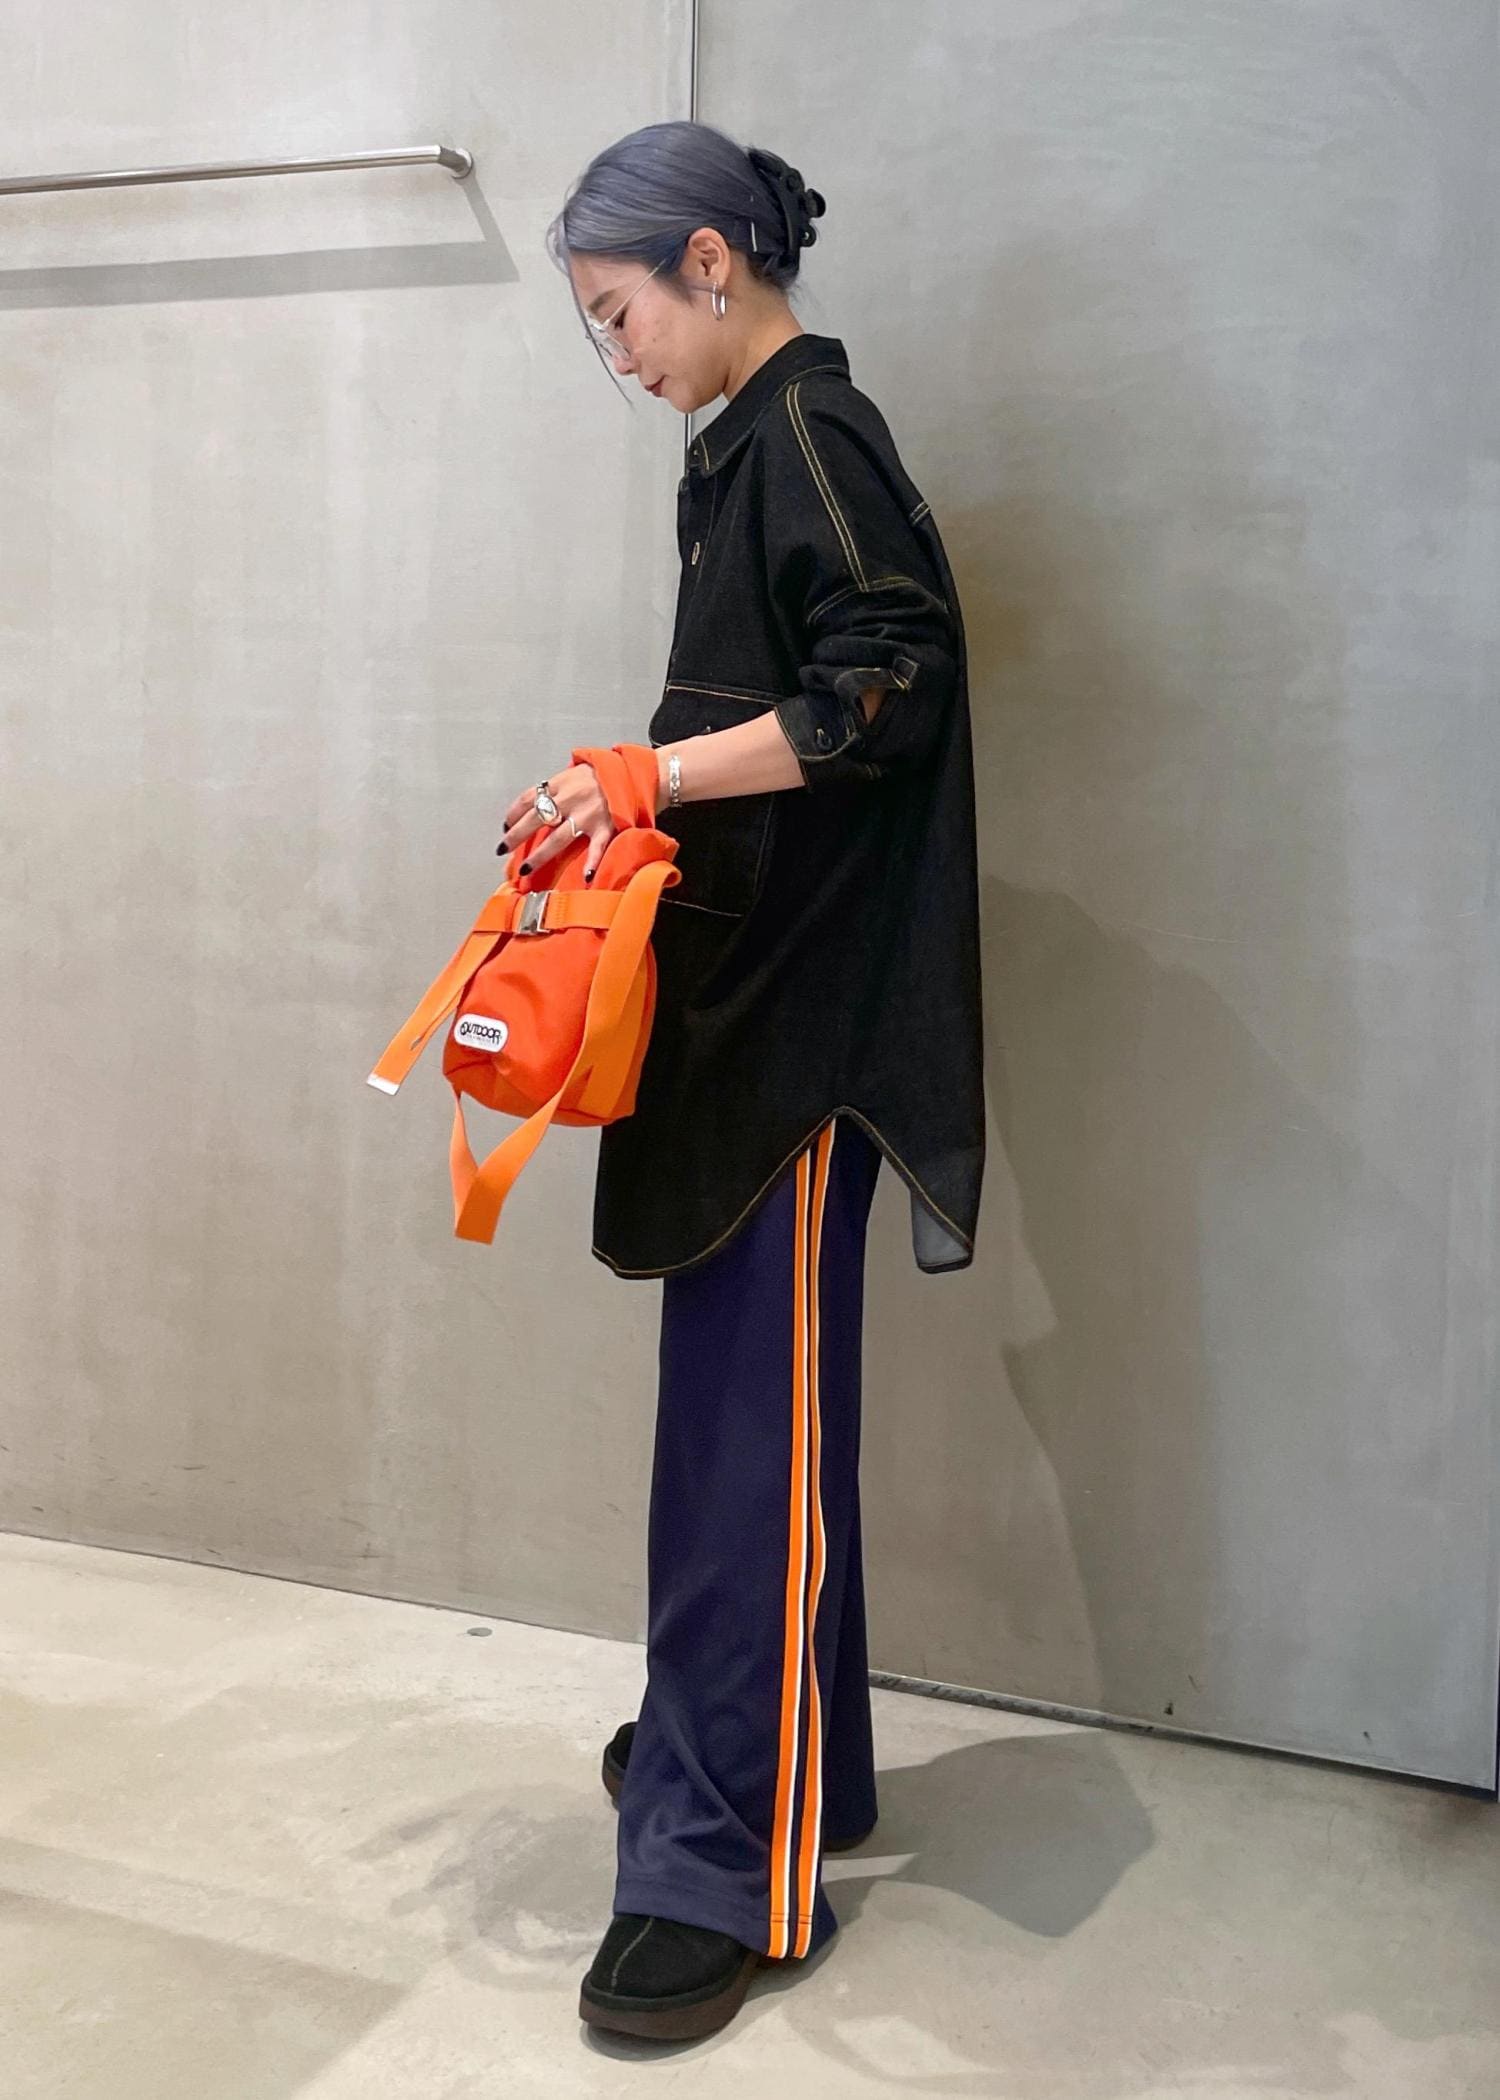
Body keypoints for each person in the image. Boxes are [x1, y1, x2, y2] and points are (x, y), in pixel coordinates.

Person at [498, 120, 985, 2043]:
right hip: (749, 1012)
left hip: (796, 1038)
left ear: (712, 262)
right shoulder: (749, 448)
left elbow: (891, 683)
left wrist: (655, 775)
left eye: (617, 311)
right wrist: (615, 803)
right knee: (757, 1438)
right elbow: (771, 719)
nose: (614, 352)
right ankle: (797, 1763)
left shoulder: (809, 438)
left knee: (737, 1454)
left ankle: (715, 1867)